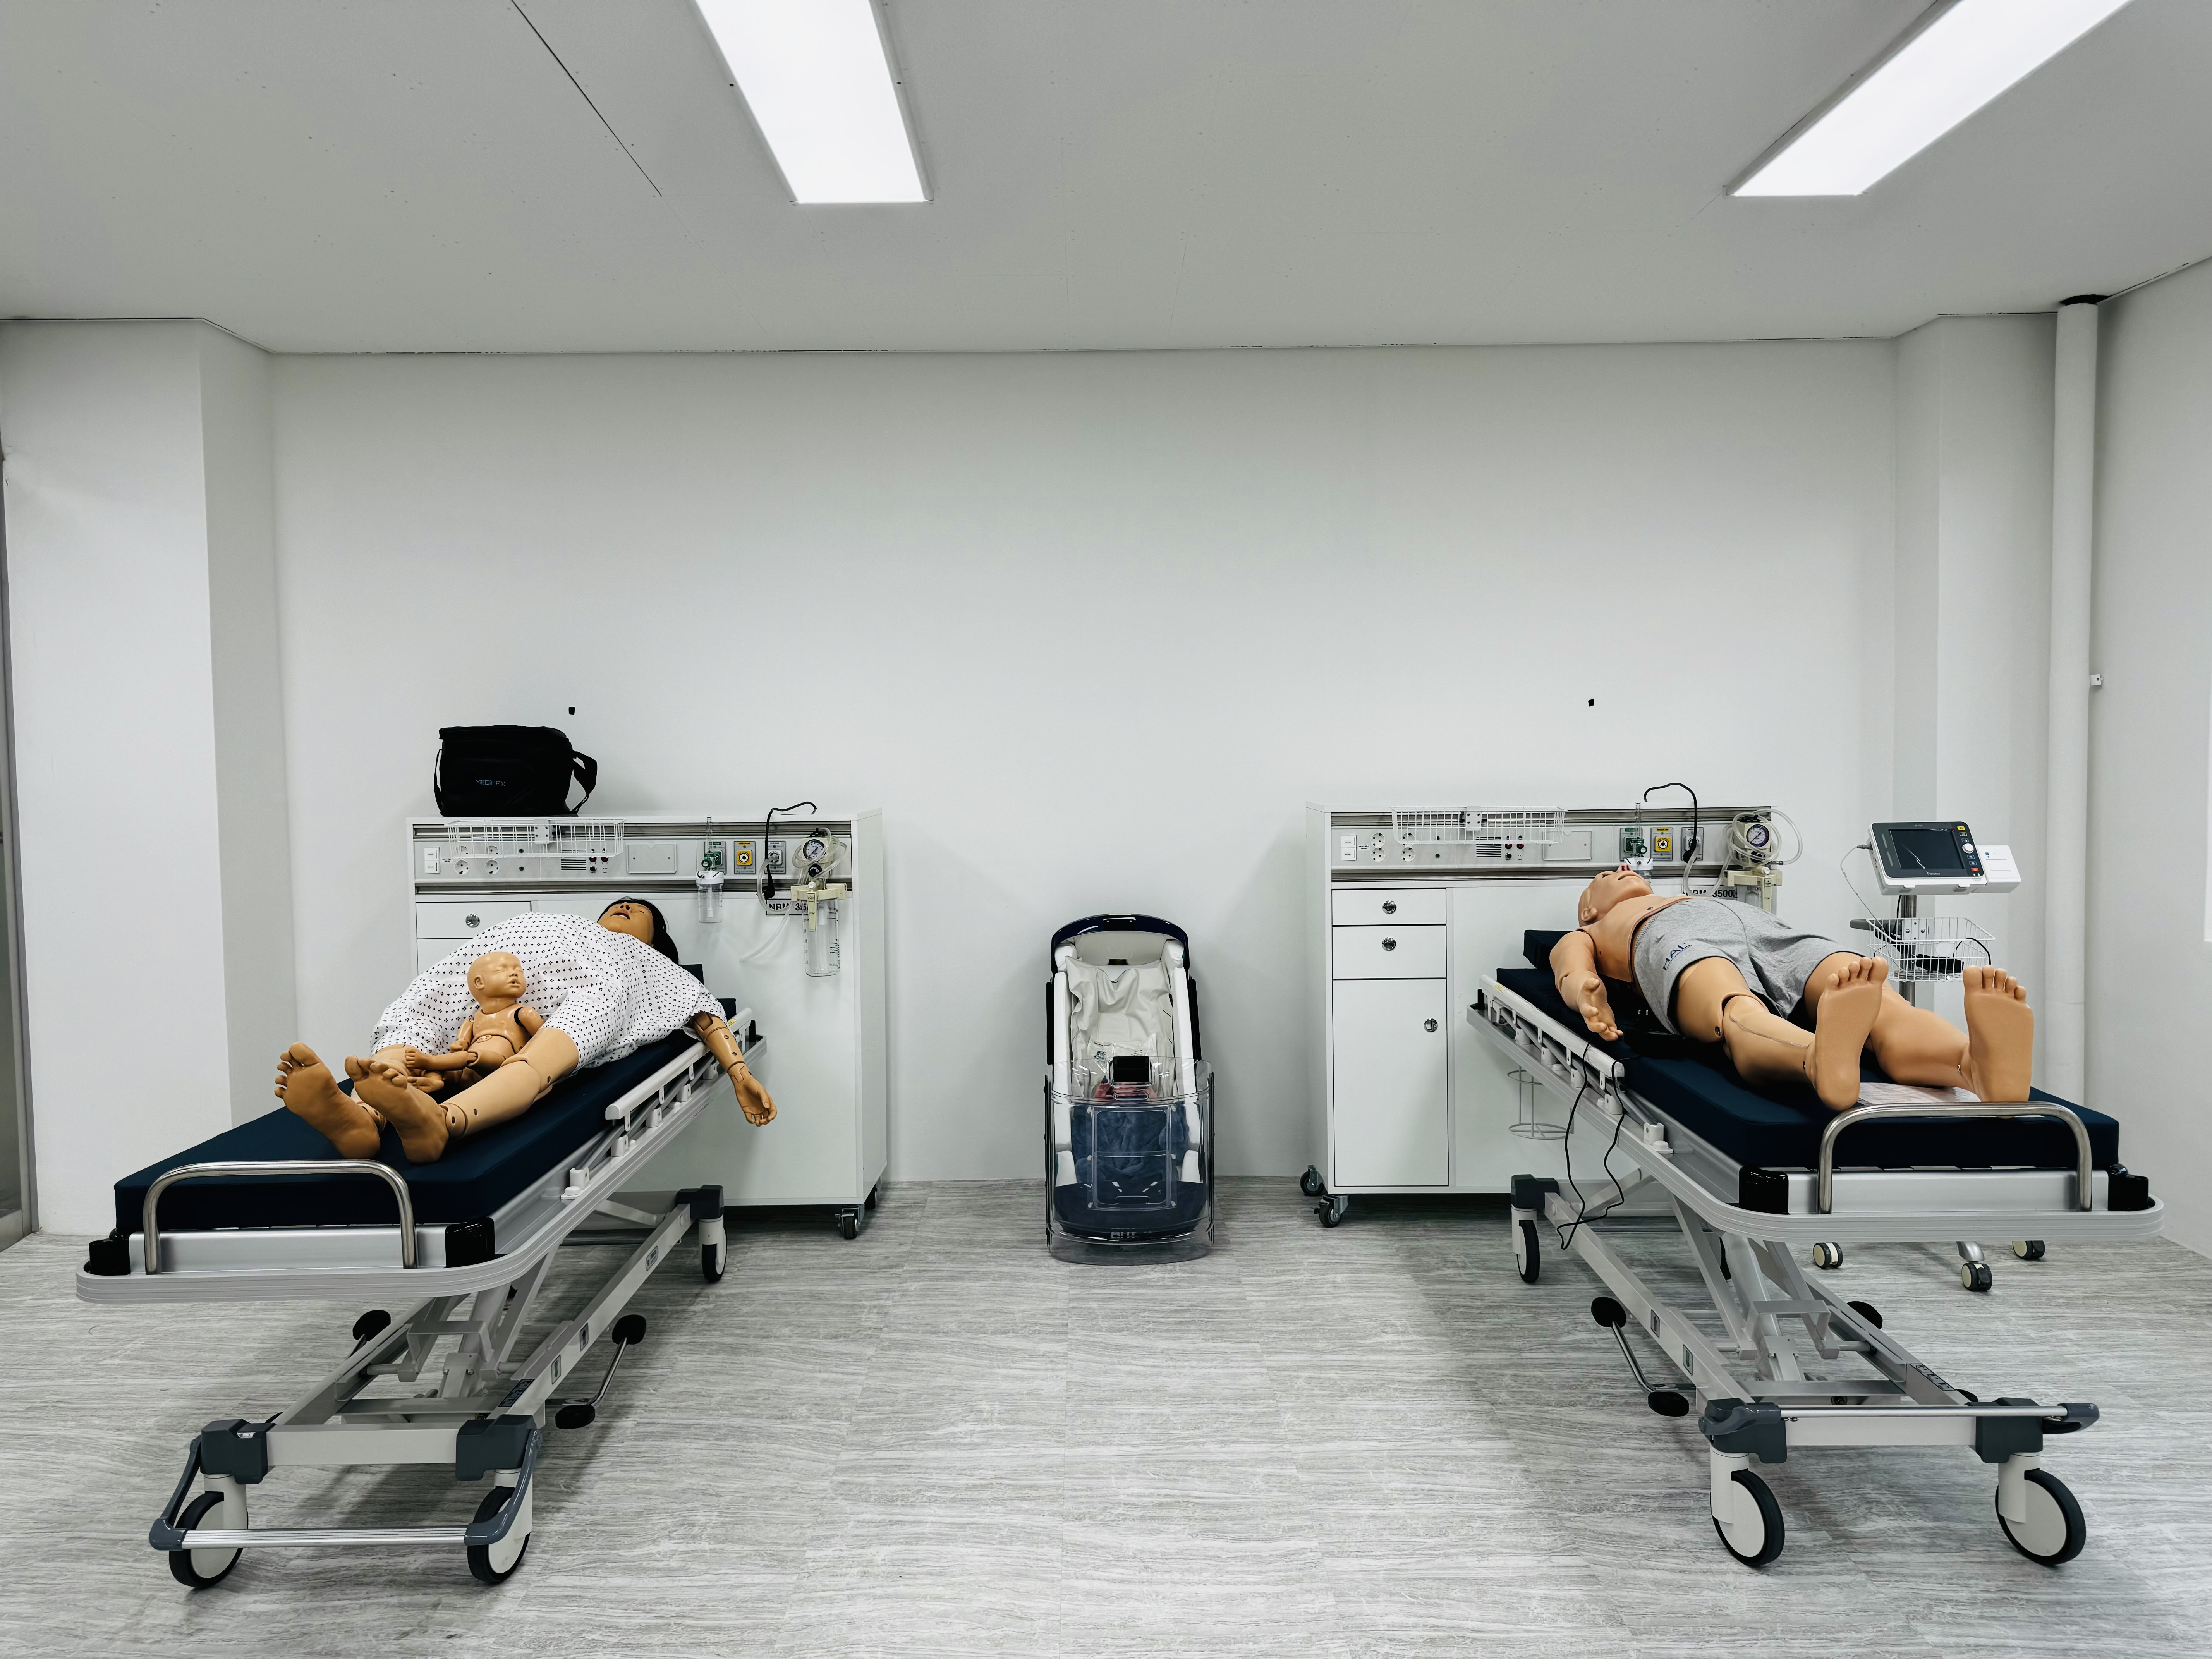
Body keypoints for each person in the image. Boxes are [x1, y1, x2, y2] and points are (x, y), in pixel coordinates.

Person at [273, 898, 776, 1162]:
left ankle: (442, 1121)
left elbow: (705, 1014)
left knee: (553, 1044)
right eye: (617, 905)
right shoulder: (561, 924)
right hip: (487, 979)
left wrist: (740, 1074)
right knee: (423, 1007)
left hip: (585, 994)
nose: (625, 907)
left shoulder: (649, 963)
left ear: (654, 940)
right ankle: (363, 1118)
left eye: (639, 912)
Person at [1550, 866, 2033, 1111]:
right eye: (1606, 876)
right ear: (1589, 910)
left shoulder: (1680, 894)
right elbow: (1567, 967)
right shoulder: (1592, 929)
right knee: (1734, 1008)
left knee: (1872, 993)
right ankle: (1818, 1059)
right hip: (1670, 939)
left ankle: (1971, 1065)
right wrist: (1587, 991)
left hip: (1766, 929)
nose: (1623, 868)